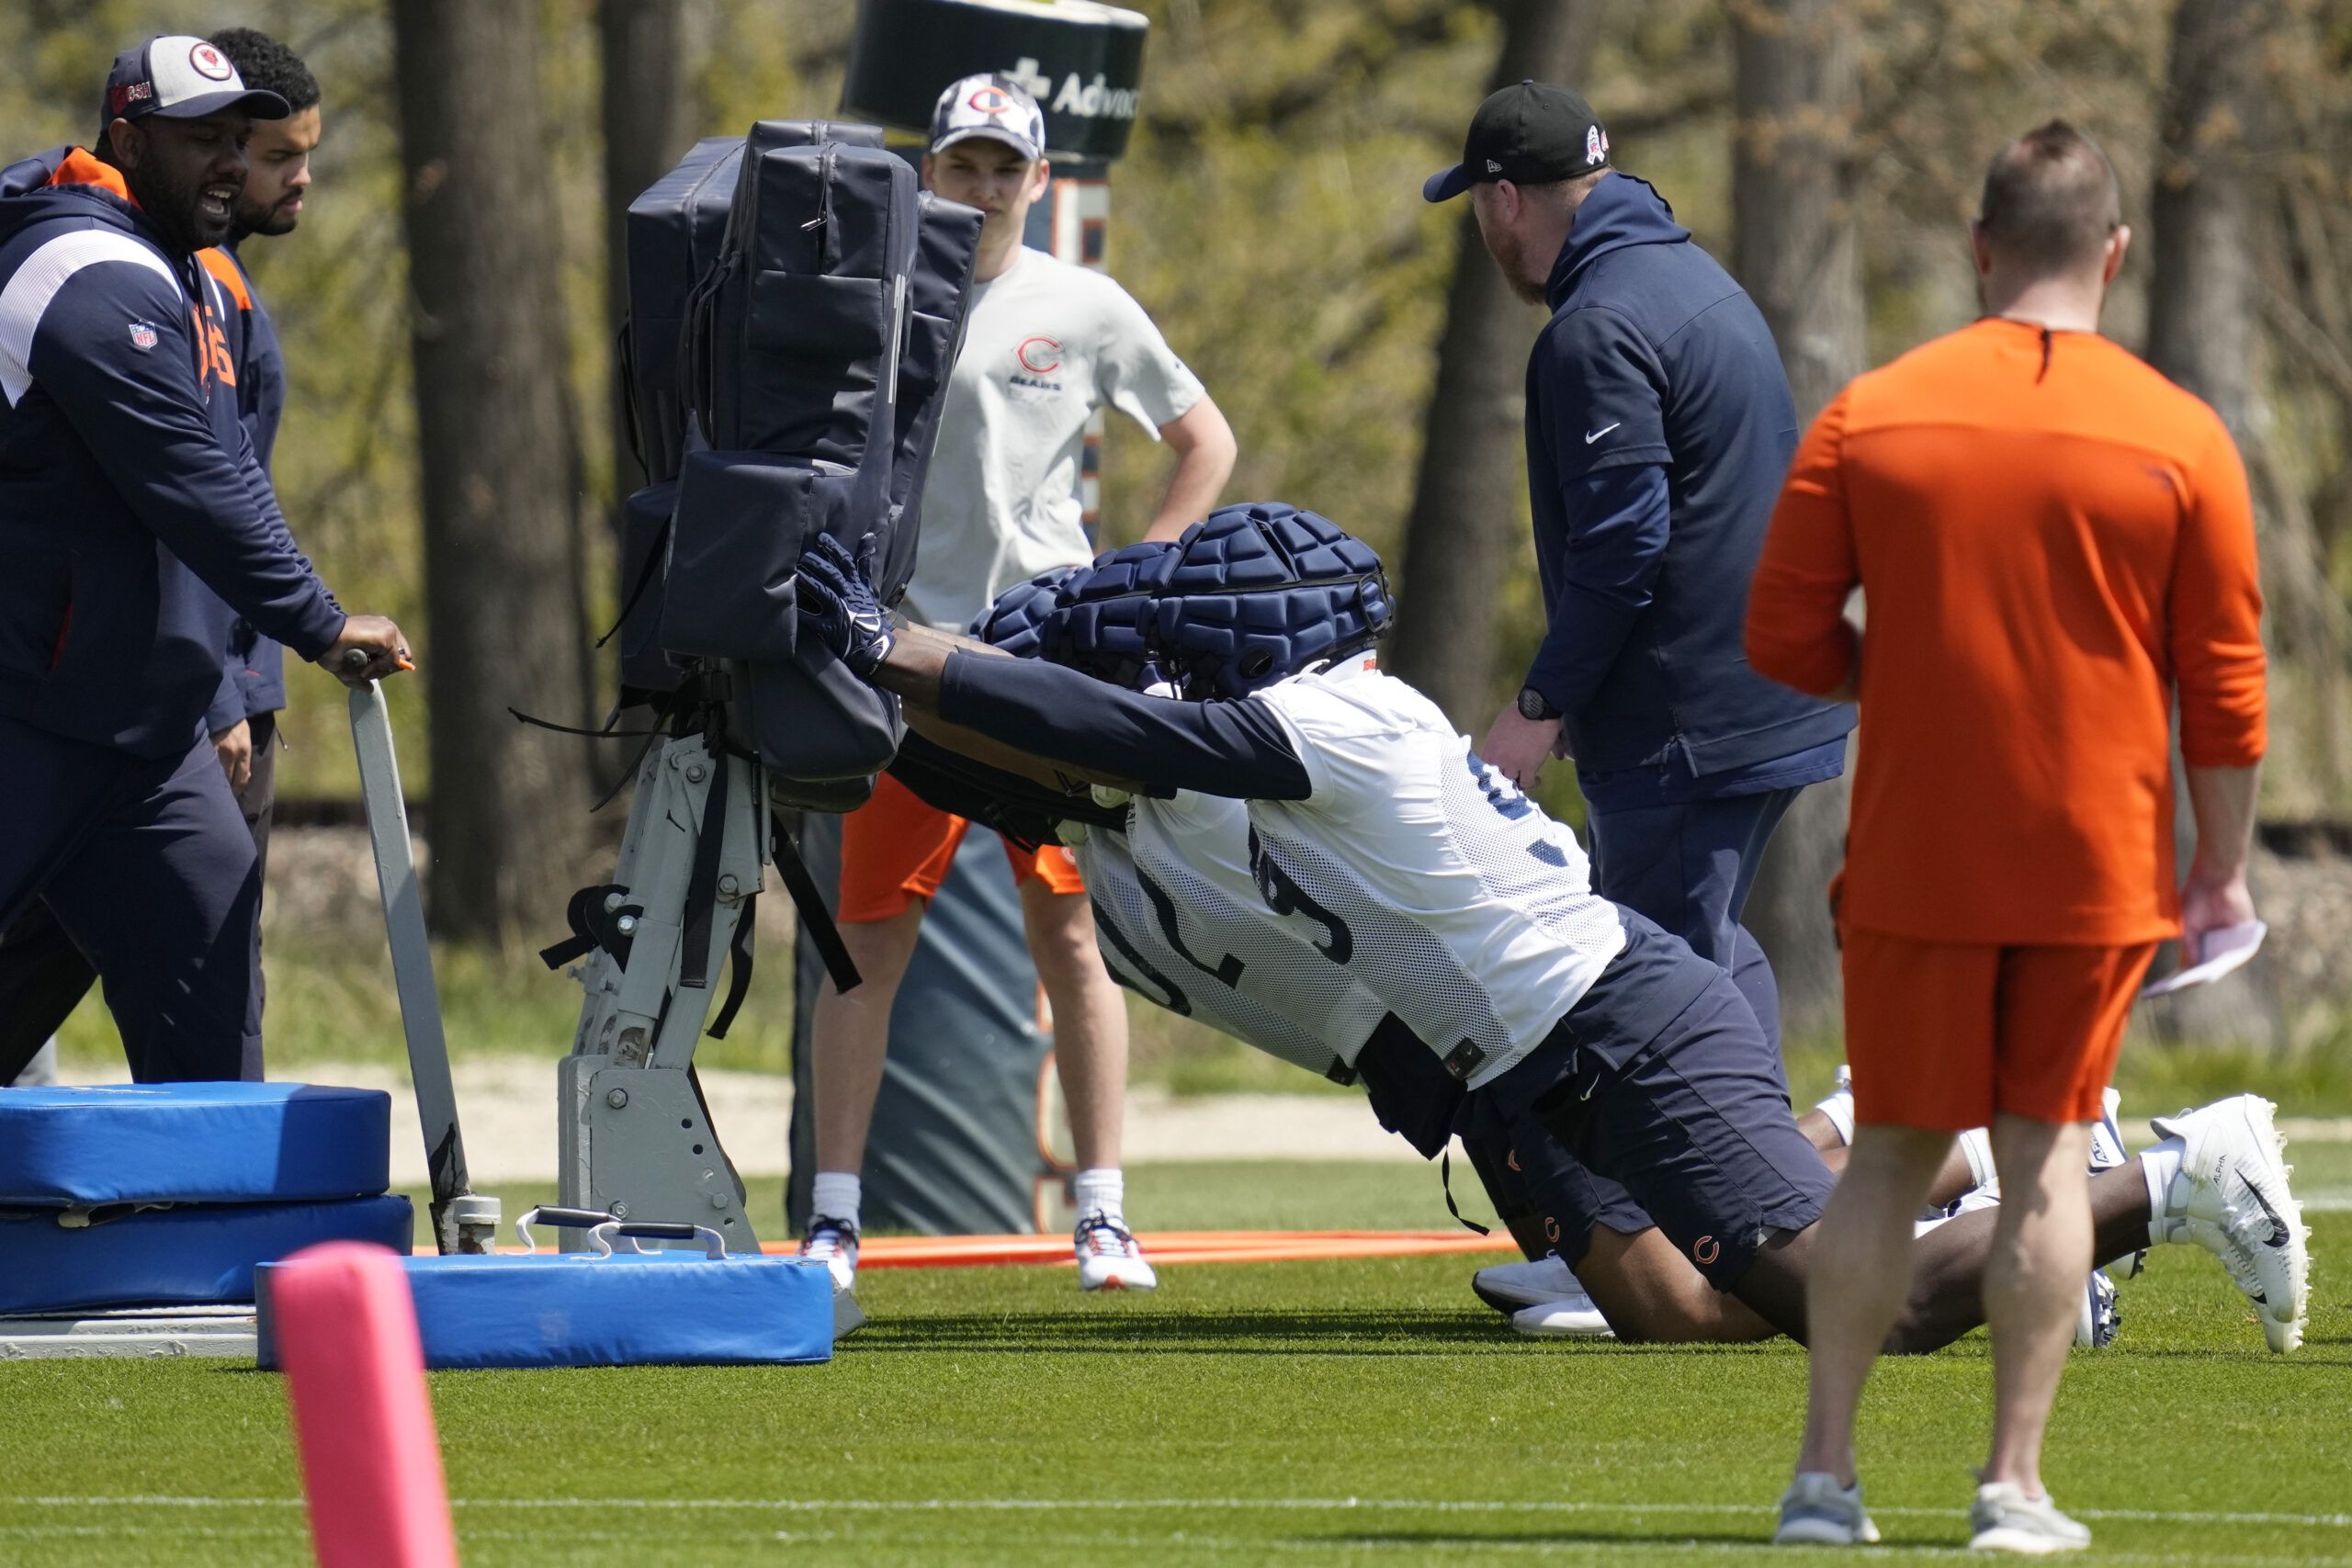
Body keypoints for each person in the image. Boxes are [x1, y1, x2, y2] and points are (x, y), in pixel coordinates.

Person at [792, 503, 2303, 1371]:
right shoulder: (1212, 753)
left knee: (1870, 1305)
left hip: (1615, 1024)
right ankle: (1942, 1138)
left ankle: (2172, 1175)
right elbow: (988, 753)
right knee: (1674, 1311)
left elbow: (1082, 721)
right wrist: (808, 670)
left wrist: (887, 641)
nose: (1172, 640)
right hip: (1536, 1060)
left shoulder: (1336, 720)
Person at [1745, 121, 2291, 1552]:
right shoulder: (2181, 432)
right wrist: (2220, 867)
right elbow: (2227, 690)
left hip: (1918, 850)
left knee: (1883, 1160)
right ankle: (2013, 1487)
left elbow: (1781, 630)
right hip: (2091, 859)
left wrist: (1911, 672)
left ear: (1983, 248)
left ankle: (1824, 1476)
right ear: (2115, 253)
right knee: (2046, 1159)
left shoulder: (1873, 411)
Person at [800, 73, 1237, 1300]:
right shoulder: (879, 298)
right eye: (964, 164)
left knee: (1072, 931)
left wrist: (1144, 580)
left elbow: (1206, 437)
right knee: (868, 943)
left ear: (1040, 181)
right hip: (900, 656)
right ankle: (836, 1217)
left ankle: (1102, 1213)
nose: (984, 186)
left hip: (1042, 655)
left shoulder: (1082, 302)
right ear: (927, 170)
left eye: (1007, 168)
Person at [0, 36, 406, 1087]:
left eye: (239, 139)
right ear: (128, 139)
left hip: (145, 738)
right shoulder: (80, 266)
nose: (229, 161)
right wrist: (319, 621)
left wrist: (220, 684)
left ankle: (207, 1252)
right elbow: (192, 480)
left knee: (213, 1032)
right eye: (201, 141)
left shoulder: (188, 270)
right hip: (24, 716)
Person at [1422, 82, 1854, 1060]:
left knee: (1652, 994)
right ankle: (1780, 1196)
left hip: (1689, 729)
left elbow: (1623, 546)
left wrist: (1538, 704)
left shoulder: (1594, 327)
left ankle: (1758, 1210)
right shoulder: (1693, 277)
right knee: (1706, 956)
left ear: (1502, 200)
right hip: (1767, 696)